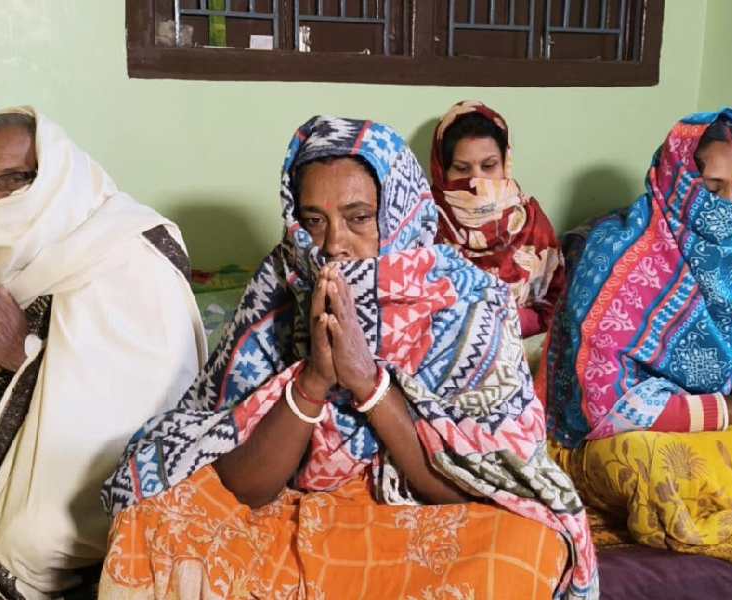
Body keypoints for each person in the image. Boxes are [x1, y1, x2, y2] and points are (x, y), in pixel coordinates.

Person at [99, 116, 598, 599]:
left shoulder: (471, 303)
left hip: (427, 518)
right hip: (295, 513)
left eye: (359, 218)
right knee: (152, 521)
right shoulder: (281, 288)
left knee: (528, 543)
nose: (335, 244)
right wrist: (315, 379)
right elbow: (242, 487)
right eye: (314, 222)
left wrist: (366, 382)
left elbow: (479, 485)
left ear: (399, 211)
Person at [539, 108, 732, 561]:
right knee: (656, 469)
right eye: (711, 190)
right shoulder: (614, 258)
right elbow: (602, 406)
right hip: (626, 430)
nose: (731, 208)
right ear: (676, 184)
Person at [0, 108, 206, 598]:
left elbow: (137, 415)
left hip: (74, 491)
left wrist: (22, 353)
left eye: (12, 180)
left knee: (38, 534)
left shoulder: (127, 256)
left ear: (55, 177)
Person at [430, 100, 564, 338]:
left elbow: (557, 301)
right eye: (462, 169)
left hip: (522, 352)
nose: (476, 180)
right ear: (442, 171)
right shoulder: (425, 222)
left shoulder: (530, 219)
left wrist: (506, 325)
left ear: (505, 164)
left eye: (489, 166)